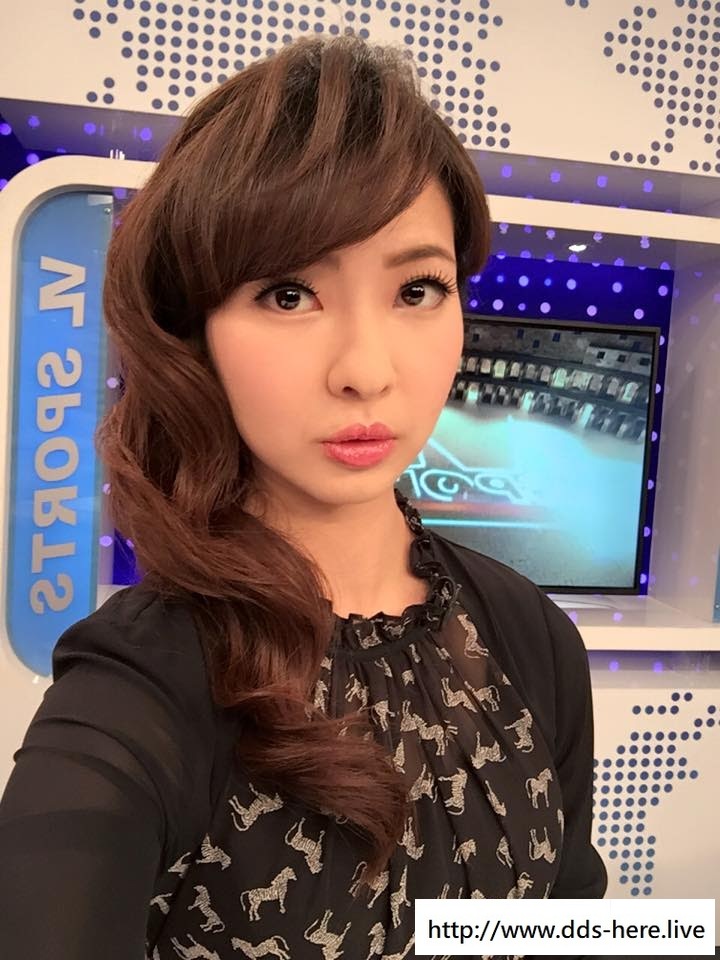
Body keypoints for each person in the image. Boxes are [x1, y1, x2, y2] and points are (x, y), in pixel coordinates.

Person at [0, 33, 607, 960]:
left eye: (418, 289)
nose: (365, 369)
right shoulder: (146, 684)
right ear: (194, 333)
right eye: (288, 294)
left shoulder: (530, 637)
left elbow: (570, 925)